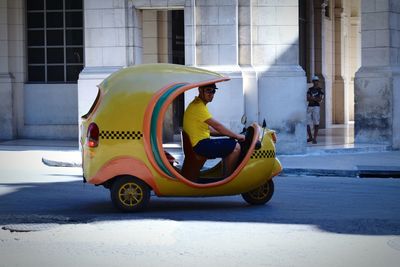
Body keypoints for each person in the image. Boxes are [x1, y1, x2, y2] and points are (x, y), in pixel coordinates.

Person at [183, 83, 245, 177]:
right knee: (236, 147)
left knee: (230, 143)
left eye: (213, 91)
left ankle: (224, 176)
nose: (211, 94)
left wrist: (231, 135)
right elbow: (217, 126)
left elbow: (210, 131)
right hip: (200, 145)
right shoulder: (198, 107)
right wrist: (236, 136)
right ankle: (227, 180)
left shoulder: (197, 104)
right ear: (200, 90)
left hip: (198, 144)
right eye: (208, 90)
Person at [307, 75, 324, 144]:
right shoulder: (310, 89)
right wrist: (315, 99)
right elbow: (307, 98)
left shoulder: (320, 90)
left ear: (318, 82)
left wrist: (312, 98)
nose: (315, 82)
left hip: (316, 107)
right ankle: (310, 137)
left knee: (316, 123)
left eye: (316, 81)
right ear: (313, 82)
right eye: (314, 81)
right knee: (307, 122)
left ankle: (315, 138)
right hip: (309, 107)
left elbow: (320, 100)